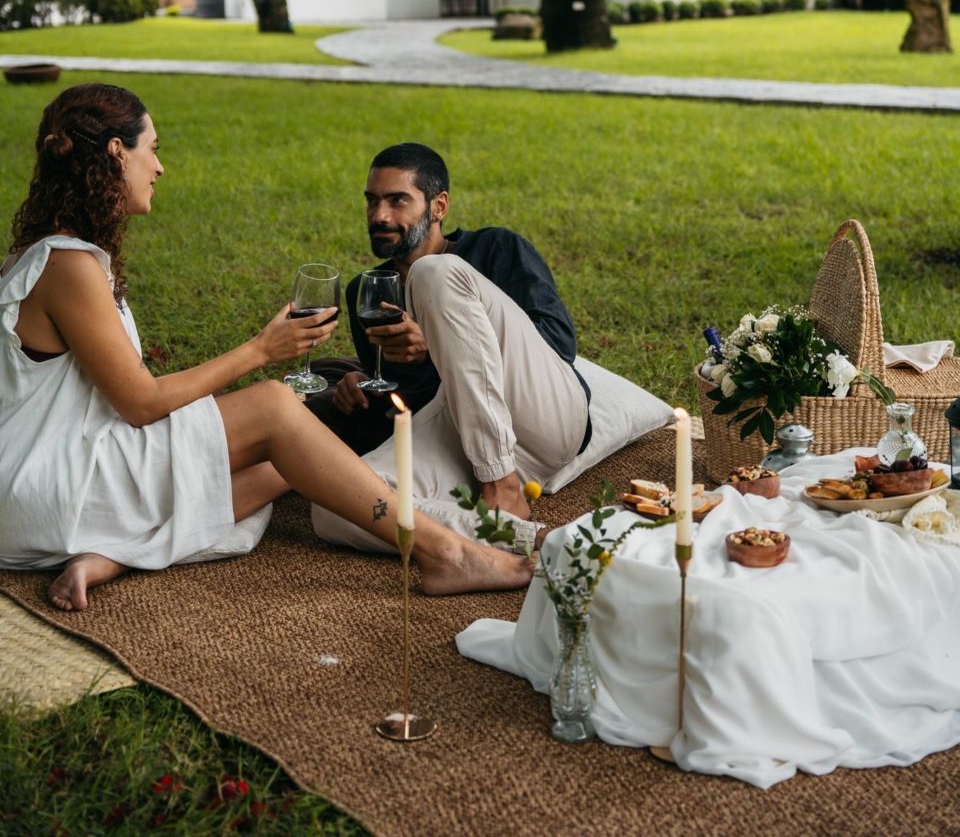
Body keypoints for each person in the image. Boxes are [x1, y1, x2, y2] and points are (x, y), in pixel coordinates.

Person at [0, 85, 533, 611]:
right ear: (118, 153)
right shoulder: (67, 265)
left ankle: (115, 553)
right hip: (45, 480)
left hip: (62, 461)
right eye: (153, 148)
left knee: (300, 459)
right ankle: (443, 550)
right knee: (277, 408)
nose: (158, 167)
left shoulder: (55, 255)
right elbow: (139, 403)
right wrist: (261, 349)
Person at [309, 143, 591, 553]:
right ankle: (518, 536)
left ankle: (502, 485)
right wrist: (364, 386)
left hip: (538, 416)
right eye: (372, 201)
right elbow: (407, 404)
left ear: (438, 206)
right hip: (460, 436)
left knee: (432, 273)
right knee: (340, 505)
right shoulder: (367, 292)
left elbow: (557, 343)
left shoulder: (496, 248)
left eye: (397, 200)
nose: (380, 216)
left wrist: (435, 341)